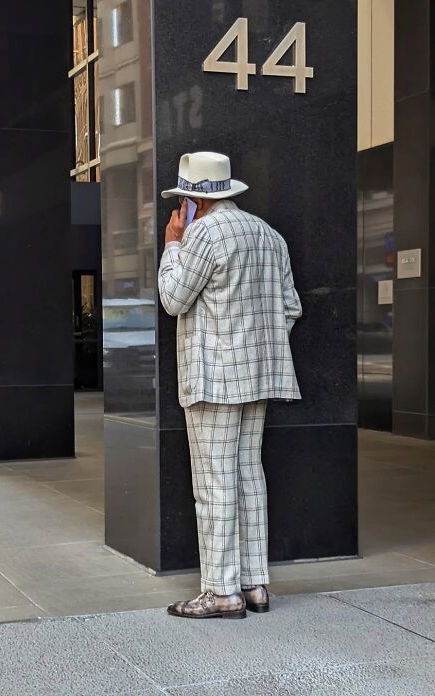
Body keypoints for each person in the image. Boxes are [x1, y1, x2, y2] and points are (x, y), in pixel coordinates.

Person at [158, 152, 302, 620]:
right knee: (247, 475)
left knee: (214, 482)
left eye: (183, 199)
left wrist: (172, 246)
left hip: (212, 378)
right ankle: (253, 583)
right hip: (258, 374)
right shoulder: (269, 235)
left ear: (193, 198)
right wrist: (256, 344)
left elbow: (173, 298)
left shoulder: (202, 234)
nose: (181, 208)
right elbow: (291, 308)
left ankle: (220, 591)